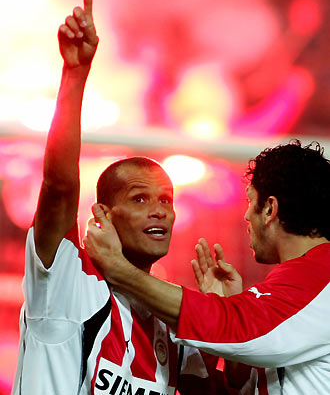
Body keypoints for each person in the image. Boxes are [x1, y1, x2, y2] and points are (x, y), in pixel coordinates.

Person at [12, 0, 223, 395]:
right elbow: (58, 185)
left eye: (166, 200)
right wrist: (75, 74)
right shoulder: (67, 279)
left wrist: (216, 321)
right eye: (140, 199)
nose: (160, 210)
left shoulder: (170, 316)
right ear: (103, 215)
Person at [83, 140, 330, 394]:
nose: (246, 216)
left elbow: (235, 326)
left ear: (269, 209)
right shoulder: (302, 285)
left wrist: (118, 269)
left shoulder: (321, 275)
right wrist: (232, 305)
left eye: (249, 201)